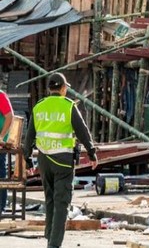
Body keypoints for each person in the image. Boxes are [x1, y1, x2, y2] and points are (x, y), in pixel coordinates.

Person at [23, 73, 98, 248]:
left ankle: (50, 236)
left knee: (50, 199)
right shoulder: (68, 106)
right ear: (63, 88)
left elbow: (29, 136)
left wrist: (27, 159)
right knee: (61, 203)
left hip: (44, 161)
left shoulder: (39, 107)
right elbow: (82, 131)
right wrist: (92, 153)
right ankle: (54, 244)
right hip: (63, 161)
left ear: (50, 89)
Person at [0, 89, 14, 216]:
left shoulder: (1, 96)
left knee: (0, 174)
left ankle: (1, 207)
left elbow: (9, 116)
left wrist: (1, 136)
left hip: (0, 145)